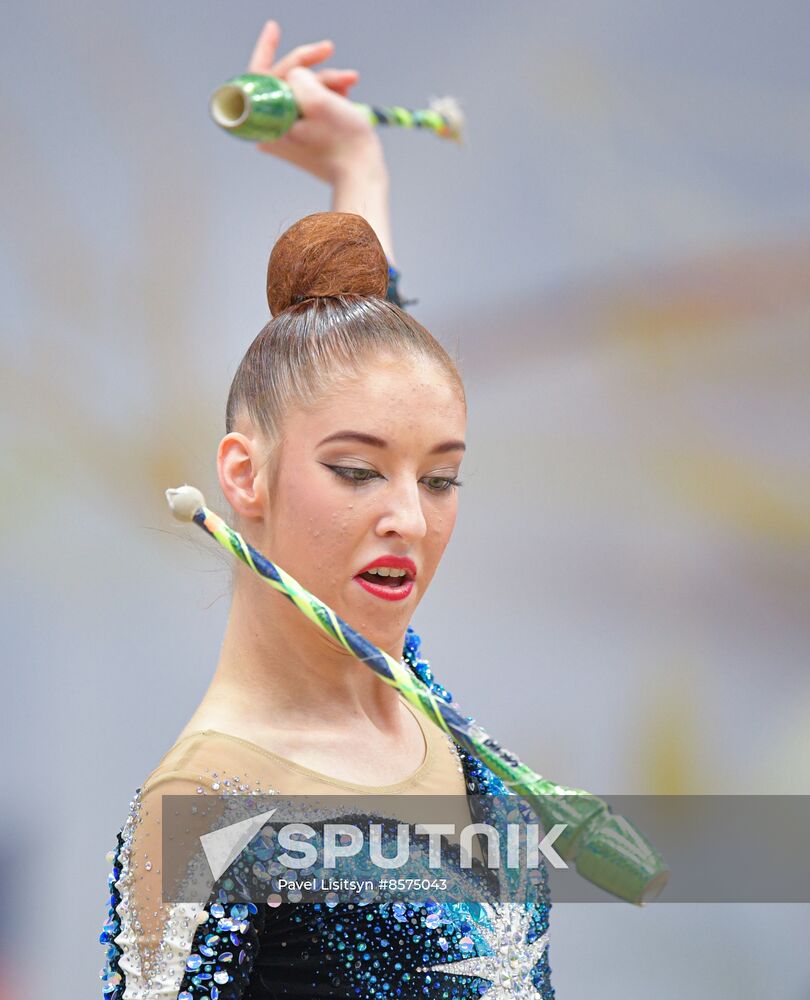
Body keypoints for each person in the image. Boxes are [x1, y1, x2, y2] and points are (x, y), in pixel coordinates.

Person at [99, 20, 555, 999]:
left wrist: (357, 165)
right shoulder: (206, 810)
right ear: (244, 476)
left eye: (440, 477)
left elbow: (362, 369)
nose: (411, 520)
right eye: (356, 473)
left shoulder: (405, 688)